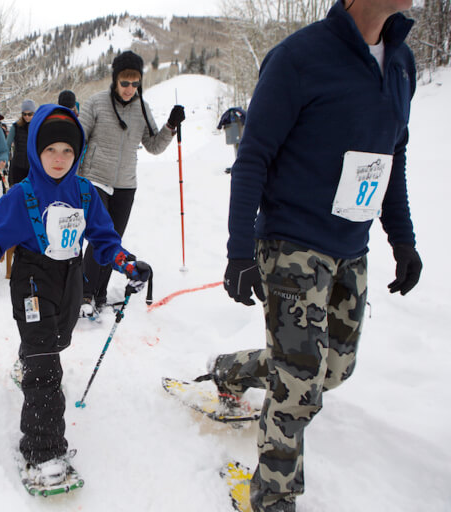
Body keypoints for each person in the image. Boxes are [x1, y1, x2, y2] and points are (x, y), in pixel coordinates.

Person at [204, 1, 422, 511]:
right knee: (299, 388)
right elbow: (253, 154)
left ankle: (232, 371)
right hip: (292, 244)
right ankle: (273, 498)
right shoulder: (299, 58)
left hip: (351, 248)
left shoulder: (402, 62)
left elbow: (394, 157)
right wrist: (240, 251)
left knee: (332, 371)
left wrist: (403, 239)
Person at [0, 104, 152, 485]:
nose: (59, 158)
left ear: (78, 153)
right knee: (46, 367)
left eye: (67, 151)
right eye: (50, 149)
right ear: (36, 150)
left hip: (70, 278)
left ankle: (29, 361)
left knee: (58, 340)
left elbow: (104, 240)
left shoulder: (85, 193)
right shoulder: (21, 195)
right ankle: (42, 451)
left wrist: (127, 263)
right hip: (32, 279)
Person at [78, 50, 185, 318]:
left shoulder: (142, 108)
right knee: (98, 239)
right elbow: (79, 138)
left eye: (135, 83)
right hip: (94, 179)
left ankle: (100, 294)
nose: (129, 89)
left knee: (113, 241)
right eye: (124, 83)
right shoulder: (97, 103)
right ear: (115, 80)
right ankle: (84, 294)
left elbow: (154, 146)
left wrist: (171, 126)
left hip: (125, 184)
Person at [5, 99, 37, 186]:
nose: (26, 117)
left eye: (29, 114)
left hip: (33, 167)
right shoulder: (16, 127)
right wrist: (5, 159)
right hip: (17, 166)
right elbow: (7, 145)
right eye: (24, 114)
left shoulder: (38, 127)